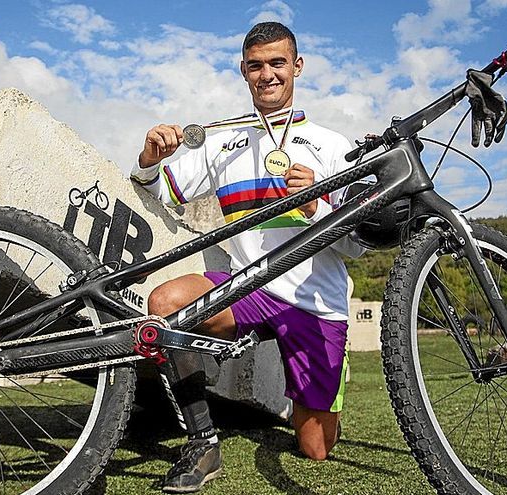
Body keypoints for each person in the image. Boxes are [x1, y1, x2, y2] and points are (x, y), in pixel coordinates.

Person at [130, 21, 366, 493]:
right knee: (166, 304)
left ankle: (324, 386)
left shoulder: (336, 146)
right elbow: (161, 192)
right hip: (247, 289)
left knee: (316, 448)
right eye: (256, 66)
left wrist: (319, 206)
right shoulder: (220, 140)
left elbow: (357, 246)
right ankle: (203, 441)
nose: (268, 75)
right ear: (243, 71)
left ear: (296, 66)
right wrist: (151, 158)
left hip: (315, 302)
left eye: (278, 63)